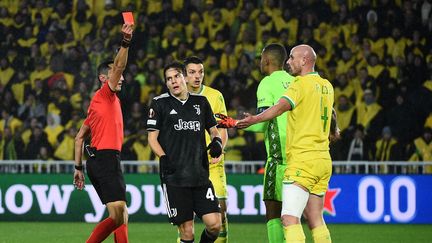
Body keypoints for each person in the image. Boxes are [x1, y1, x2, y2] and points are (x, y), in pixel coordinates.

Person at [237, 44, 335, 243]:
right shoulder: (327, 86)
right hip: (323, 159)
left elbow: (280, 107)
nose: (288, 62)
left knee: (289, 219)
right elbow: (331, 116)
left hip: (301, 160)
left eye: (292, 58)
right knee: (316, 220)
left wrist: (252, 120)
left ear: (304, 60)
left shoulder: (299, 84)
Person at [147, 61, 222, 243]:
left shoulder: (201, 102)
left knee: (214, 226)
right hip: (175, 178)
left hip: (200, 175)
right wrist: (164, 158)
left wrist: (217, 142)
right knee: (187, 233)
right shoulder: (159, 104)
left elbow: (213, 130)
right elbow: (152, 139)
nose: (173, 81)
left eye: (177, 76)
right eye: (169, 79)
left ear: (184, 78)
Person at [73, 23, 133, 243]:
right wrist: (125, 42)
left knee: (121, 215)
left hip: (99, 160)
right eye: (115, 75)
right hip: (106, 158)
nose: (122, 79)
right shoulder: (105, 95)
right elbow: (118, 68)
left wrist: (78, 168)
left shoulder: (96, 105)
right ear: (103, 78)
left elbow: (79, 138)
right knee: (118, 216)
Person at [244, 43, 294, 243]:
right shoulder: (296, 81)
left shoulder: (267, 83)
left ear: (266, 60)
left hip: (278, 157)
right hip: (300, 156)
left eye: (261, 58)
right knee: (299, 216)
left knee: (273, 210)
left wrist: (235, 123)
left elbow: (261, 123)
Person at [184, 56, 229, 243]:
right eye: (192, 72)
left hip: (211, 163)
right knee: (187, 217)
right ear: (184, 76)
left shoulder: (215, 95)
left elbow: (222, 129)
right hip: (187, 165)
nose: (197, 76)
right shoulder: (176, 97)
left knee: (220, 210)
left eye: (200, 72)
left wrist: (219, 149)